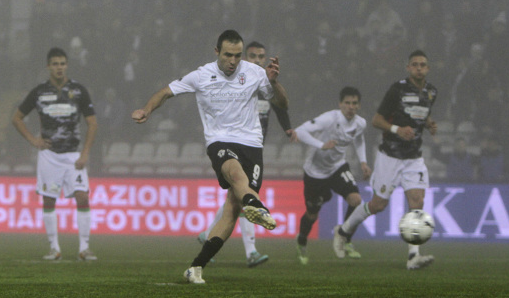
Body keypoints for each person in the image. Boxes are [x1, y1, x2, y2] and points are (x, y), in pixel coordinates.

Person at [131, 30, 288, 284]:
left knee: (231, 210)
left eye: (237, 55)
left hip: (251, 144)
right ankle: (257, 206)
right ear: (217, 52)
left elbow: (283, 104)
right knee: (235, 173)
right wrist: (146, 109)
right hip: (220, 141)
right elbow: (165, 92)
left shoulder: (256, 72)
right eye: (228, 55)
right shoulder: (201, 75)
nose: (233, 61)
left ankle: (196, 267)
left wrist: (275, 82)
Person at [332, 49, 438, 270]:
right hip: (390, 155)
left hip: (413, 157)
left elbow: (422, 111)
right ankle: (342, 231)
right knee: (378, 205)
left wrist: (429, 123)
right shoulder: (397, 89)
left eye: (423, 64)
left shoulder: (431, 92)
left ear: (428, 69)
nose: (419, 67)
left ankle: (413, 257)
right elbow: (376, 120)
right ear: (408, 68)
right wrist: (398, 129)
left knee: (417, 203)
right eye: (415, 64)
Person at [197, 40, 297, 268]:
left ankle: (208, 234)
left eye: (261, 57)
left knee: (236, 197)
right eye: (252, 56)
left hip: (253, 147)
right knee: (245, 197)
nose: (258, 61)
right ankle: (251, 251)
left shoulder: (264, 83)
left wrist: (287, 127)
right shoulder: (240, 82)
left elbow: (279, 105)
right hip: (235, 145)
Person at [11, 47, 98, 261]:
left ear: (67, 65)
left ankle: (84, 248)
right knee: (49, 200)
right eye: (55, 64)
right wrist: (33, 140)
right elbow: (17, 118)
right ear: (48, 66)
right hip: (49, 155)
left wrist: (85, 152)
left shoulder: (78, 90)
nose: (59, 67)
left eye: (62, 63)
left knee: (82, 196)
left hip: (73, 156)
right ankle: (54, 248)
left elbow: (92, 122)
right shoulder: (39, 92)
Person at [294, 86, 371, 265]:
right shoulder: (329, 118)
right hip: (315, 173)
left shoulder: (360, 123)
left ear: (359, 105)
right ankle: (301, 242)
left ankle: (344, 237)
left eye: (354, 103)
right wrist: (321, 145)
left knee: (356, 200)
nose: (351, 107)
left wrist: (363, 162)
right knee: (312, 215)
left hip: (337, 167)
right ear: (340, 104)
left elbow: (359, 138)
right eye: (347, 103)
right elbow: (300, 131)